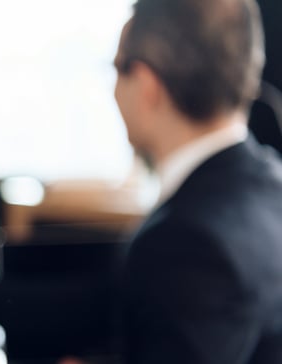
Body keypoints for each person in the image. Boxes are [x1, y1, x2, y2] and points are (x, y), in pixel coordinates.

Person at [114, 0, 282, 362]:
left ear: (146, 84)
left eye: (117, 68)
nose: (113, 91)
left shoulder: (185, 242)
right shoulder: (272, 182)